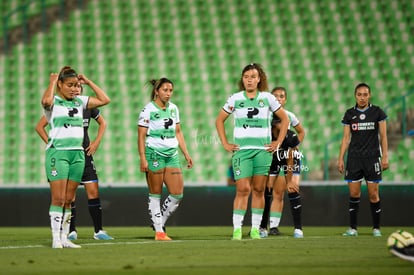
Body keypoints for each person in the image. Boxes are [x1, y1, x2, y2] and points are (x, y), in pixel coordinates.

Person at [215, 63, 289, 240]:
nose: (249, 80)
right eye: (246, 77)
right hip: (242, 152)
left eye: (253, 77)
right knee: (242, 188)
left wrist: (278, 142)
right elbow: (219, 120)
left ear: (259, 79)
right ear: (243, 79)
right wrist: (225, 143)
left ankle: (256, 229)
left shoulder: (267, 98)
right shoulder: (235, 98)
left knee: (258, 189)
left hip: (262, 152)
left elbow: (285, 120)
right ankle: (237, 229)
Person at [41, 66, 110, 248]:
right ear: (61, 85)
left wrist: (88, 82)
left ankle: (65, 237)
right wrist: (52, 81)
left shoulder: (80, 101)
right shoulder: (54, 102)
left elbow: (105, 99)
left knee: (70, 199)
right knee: (58, 198)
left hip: (78, 154)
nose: (74, 89)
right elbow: (45, 101)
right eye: (70, 85)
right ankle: (56, 238)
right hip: (58, 153)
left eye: (76, 85)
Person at [137, 77, 193, 241]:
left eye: (170, 90)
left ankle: (158, 222)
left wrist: (186, 153)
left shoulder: (174, 109)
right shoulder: (147, 110)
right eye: (165, 90)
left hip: (172, 155)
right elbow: (140, 136)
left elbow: (178, 132)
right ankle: (160, 232)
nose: (168, 94)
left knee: (178, 194)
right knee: (155, 193)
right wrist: (142, 158)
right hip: (154, 153)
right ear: (156, 91)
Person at [337, 82, 388, 237]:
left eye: (365, 94)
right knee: (354, 194)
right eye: (359, 94)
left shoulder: (377, 112)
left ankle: (376, 228)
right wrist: (340, 158)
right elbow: (346, 138)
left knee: (373, 194)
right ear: (355, 96)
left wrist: (385, 156)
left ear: (369, 95)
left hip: (372, 158)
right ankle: (353, 229)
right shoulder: (349, 114)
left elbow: (384, 136)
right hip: (354, 158)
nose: (362, 97)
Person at [260, 87, 306, 238]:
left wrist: (294, 144)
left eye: (281, 96)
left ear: (285, 100)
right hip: (272, 155)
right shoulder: (264, 115)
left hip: (288, 154)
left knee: (292, 188)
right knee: (271, 190)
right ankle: (266, 227)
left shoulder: (289, 116)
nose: (278, 99)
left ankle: (298, 228)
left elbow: (301, 132)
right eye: (275, 96)